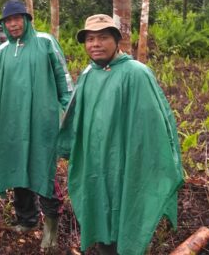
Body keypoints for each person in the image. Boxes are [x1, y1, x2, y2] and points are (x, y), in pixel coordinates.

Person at [58, 14, 184, 255]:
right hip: (97, 166)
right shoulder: (88, 75)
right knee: (102, 220)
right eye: (90, 39)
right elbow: (76, 119)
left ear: (117, 41)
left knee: (129, 216)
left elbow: (153, 127)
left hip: (127, 165)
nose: (95, 44)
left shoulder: (136, 73)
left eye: (103, 38)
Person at [0, 0, 74, 250]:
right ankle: (26, 219)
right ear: (3, 25)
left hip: (42, 119)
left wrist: (69, 110)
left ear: (27, 20)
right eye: (8, 21)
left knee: (43, 167)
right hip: (12, 121)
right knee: (17, 166)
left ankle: (51, 226)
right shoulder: (2, 52)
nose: (13, 24)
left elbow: (63, 76)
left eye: (17, 19)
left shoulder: (45, 42)